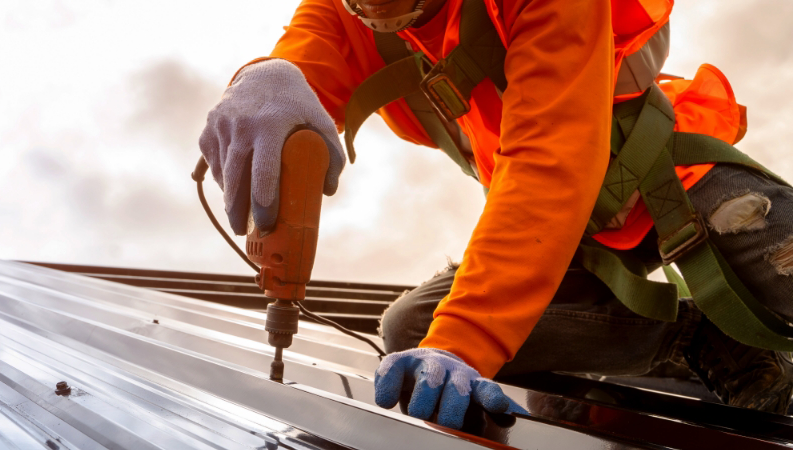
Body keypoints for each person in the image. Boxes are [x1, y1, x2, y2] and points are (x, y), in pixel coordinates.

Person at [198, 0, 793, 429]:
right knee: (412, 331)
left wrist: (466, 342)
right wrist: (266, 79)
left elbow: (548, 163)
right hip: (568, 241)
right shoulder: (344, 14)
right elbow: (305, 62)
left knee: (777, 254)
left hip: (668, 182)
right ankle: (697, 339)